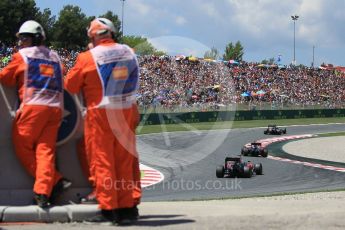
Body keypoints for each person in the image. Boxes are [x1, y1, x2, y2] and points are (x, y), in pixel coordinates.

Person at [64, 18, 140, 225]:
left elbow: (70, 85)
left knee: (102, 161)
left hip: (102, 114)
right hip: (127, 110)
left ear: (93, 36)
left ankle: (109, 209)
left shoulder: (87, 57)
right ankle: (128, 208)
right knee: (125, 161)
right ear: (112, 33)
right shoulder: (130, 52)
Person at [0, 20, 71, 208]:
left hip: (33, 108)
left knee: (21, 145)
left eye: (23, 38)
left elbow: (5, 79)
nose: (20, 42)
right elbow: (61, 73)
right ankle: (42, 193)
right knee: (45, 151)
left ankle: (55, 180)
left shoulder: (21, 56)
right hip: (55, 109)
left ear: (34, 38)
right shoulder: (55, 57)